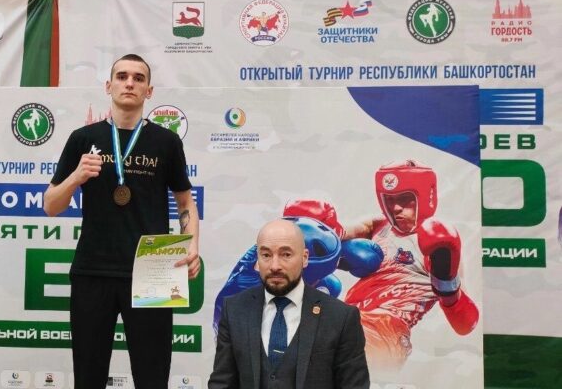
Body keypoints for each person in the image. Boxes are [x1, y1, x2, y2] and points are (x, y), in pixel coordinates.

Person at [43, 54, 200, 389]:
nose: (130, 83)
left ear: (149, 91)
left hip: (154, 267)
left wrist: (193, 246)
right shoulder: (83, 138)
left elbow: (185, 200)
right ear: (108, 85)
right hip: (93, 269)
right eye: (122, 76)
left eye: (138, 78)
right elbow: (51, 206)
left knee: (153, 376)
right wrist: (76, 177)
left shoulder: (167, 142)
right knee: (88, 376)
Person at [285, 159, 479, 371]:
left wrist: (446, 284)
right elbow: (343, 232)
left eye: (405, 199)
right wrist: (319, 227)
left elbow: (465, 324)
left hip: (387, 329)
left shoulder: (441, 246)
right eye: (390, 200)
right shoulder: (378, 226)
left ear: (426, 197)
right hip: (349, 316)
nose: (396, 208)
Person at [209, 219, 370, 389]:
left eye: (286, 255)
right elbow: (222, 383)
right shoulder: (234, 310)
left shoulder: (341, 317)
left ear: (304, 258)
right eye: (266, 255)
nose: (275, 266)